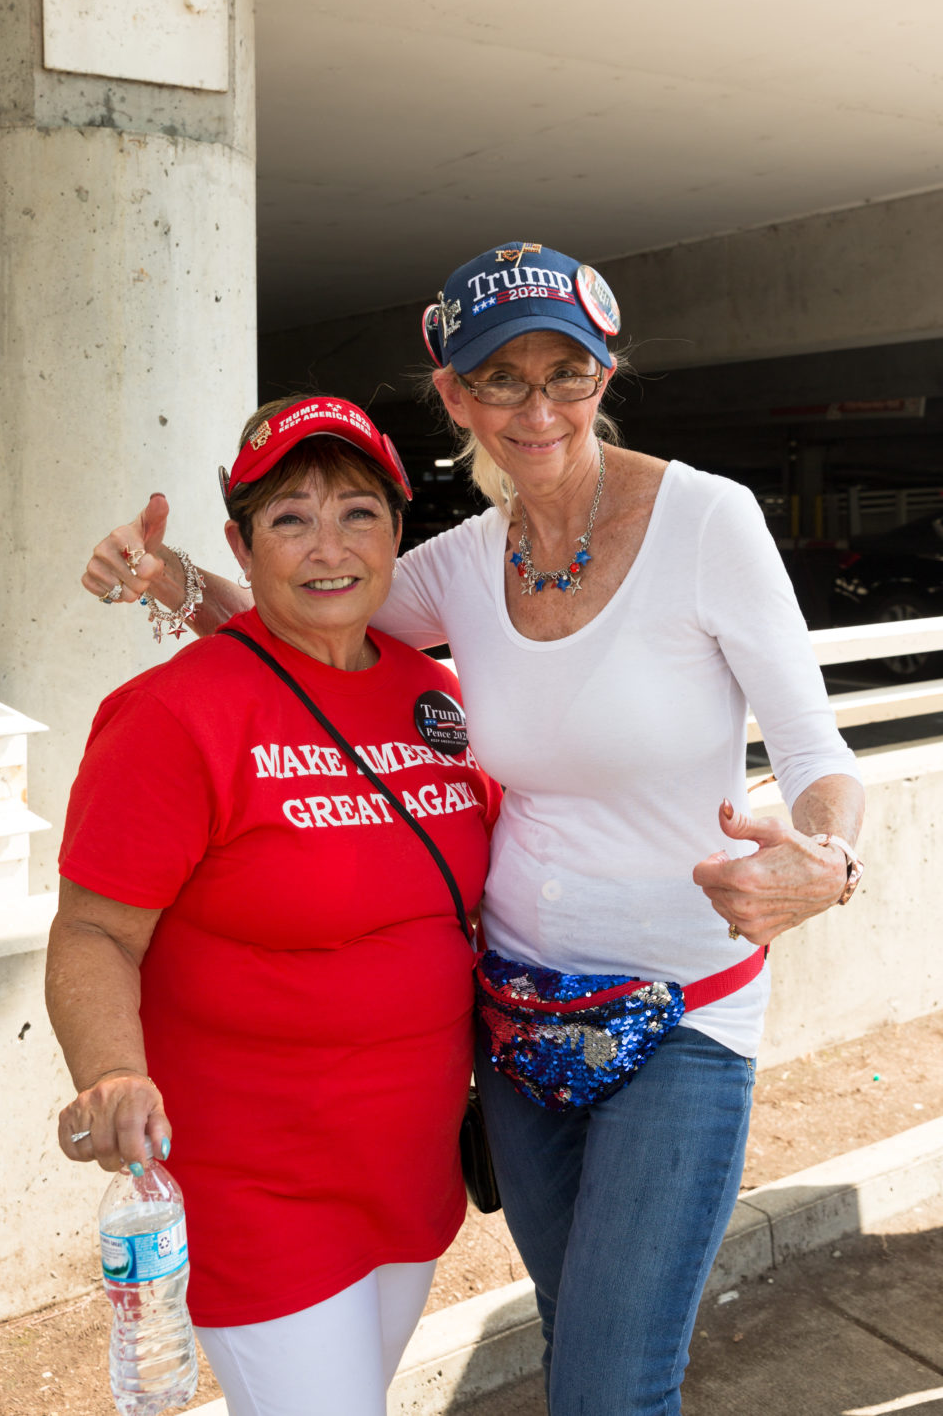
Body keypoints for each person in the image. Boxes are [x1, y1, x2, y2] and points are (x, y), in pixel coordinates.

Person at [82, 243, 865, 1415]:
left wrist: (826, 860)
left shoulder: (709, 520)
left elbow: (815, 753)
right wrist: (170, 578)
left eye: (569, 373)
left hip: (685, 1009)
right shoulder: (452, 565)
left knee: (613, 1382)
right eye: (502, 378)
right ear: (454, 396)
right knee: (574, 1336)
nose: (537, 406)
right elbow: (307, 605)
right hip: (514, 1024)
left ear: (608, 377)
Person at [48, 396, 500, 1416]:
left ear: (398, 529)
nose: (327, 546)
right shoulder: (173, 715)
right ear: (242, 546)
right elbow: (93, 930)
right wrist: (110, 1073)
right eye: (290, 518)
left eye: (358, 513)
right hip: (259, 1186)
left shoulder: (437, 696)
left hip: (409, 1170)